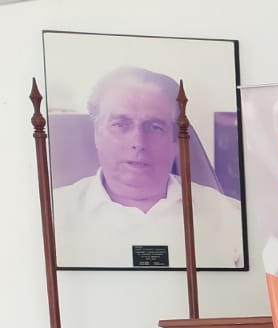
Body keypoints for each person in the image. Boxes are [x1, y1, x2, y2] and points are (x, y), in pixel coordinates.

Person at [53, 66, 244, 270]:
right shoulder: (52, 215)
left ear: (175, 143)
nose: (138, 142)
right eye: (120, 125)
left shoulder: (231, 217)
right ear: (97, 134)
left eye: (155, 127)